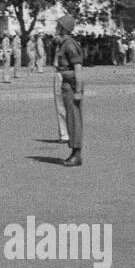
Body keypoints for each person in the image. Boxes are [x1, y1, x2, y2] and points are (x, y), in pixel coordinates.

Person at [54, 14, 83, 166]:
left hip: (72, 85)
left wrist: (78, 91)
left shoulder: (69, 44)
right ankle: (74, 152)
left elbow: (78, 68)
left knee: (74, 119)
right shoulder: (64, 43)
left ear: (63, 28)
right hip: (67, 83)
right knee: (71, 119)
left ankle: (76, 154)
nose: (56, 28)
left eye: (58, 25)